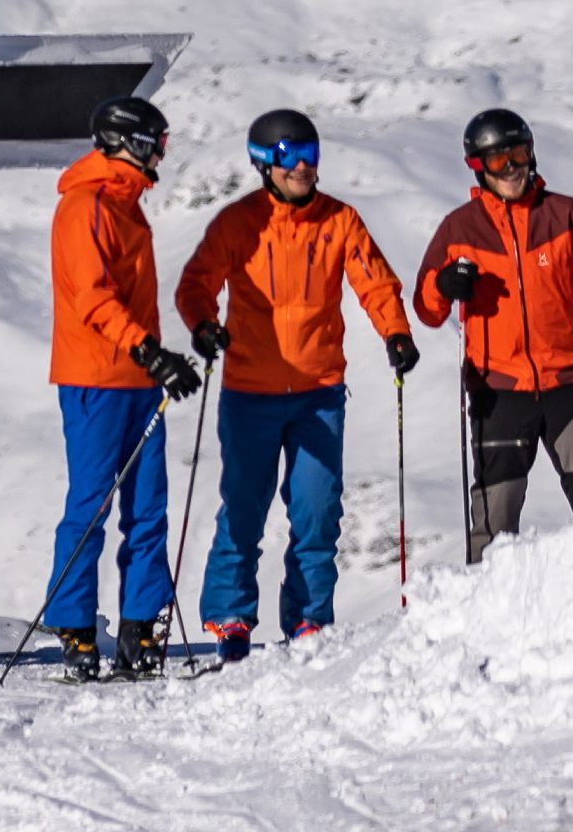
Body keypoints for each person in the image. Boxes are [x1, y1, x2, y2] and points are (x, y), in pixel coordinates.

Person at [175, 109, 413, 660]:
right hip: (250, 391)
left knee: (316, 510)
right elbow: (196, 284)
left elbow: (375, 283)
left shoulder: (339, 221)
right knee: (243, 506)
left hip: (318, 392)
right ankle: (230, 616)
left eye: (311, 155)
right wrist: (204, 325)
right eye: (290, 157)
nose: (304, 167)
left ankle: (308, 620)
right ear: (264, 164)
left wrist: (395, 332)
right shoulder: (240, 223)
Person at [414, 108, 573, 552]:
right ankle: (487, 609)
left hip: (569, 382)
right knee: (495, 520)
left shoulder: (565, 215)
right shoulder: (460, 228)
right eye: (497, 160)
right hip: (499, 390)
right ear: (478, 166)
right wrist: (444, 285)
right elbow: (427, 309)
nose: (511, 167)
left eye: (519, 153)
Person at [41, 94, 201, 680]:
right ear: (128, 141)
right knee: (91, 504)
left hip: (136, 376)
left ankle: (140, 626)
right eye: (155, 142)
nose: (161, 153)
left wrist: (155, 358)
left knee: (149, 506)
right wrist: (148, 352)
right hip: (94, 378)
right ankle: (76, 629)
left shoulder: (128, 207)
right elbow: (92, 298)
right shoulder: (84, 206)